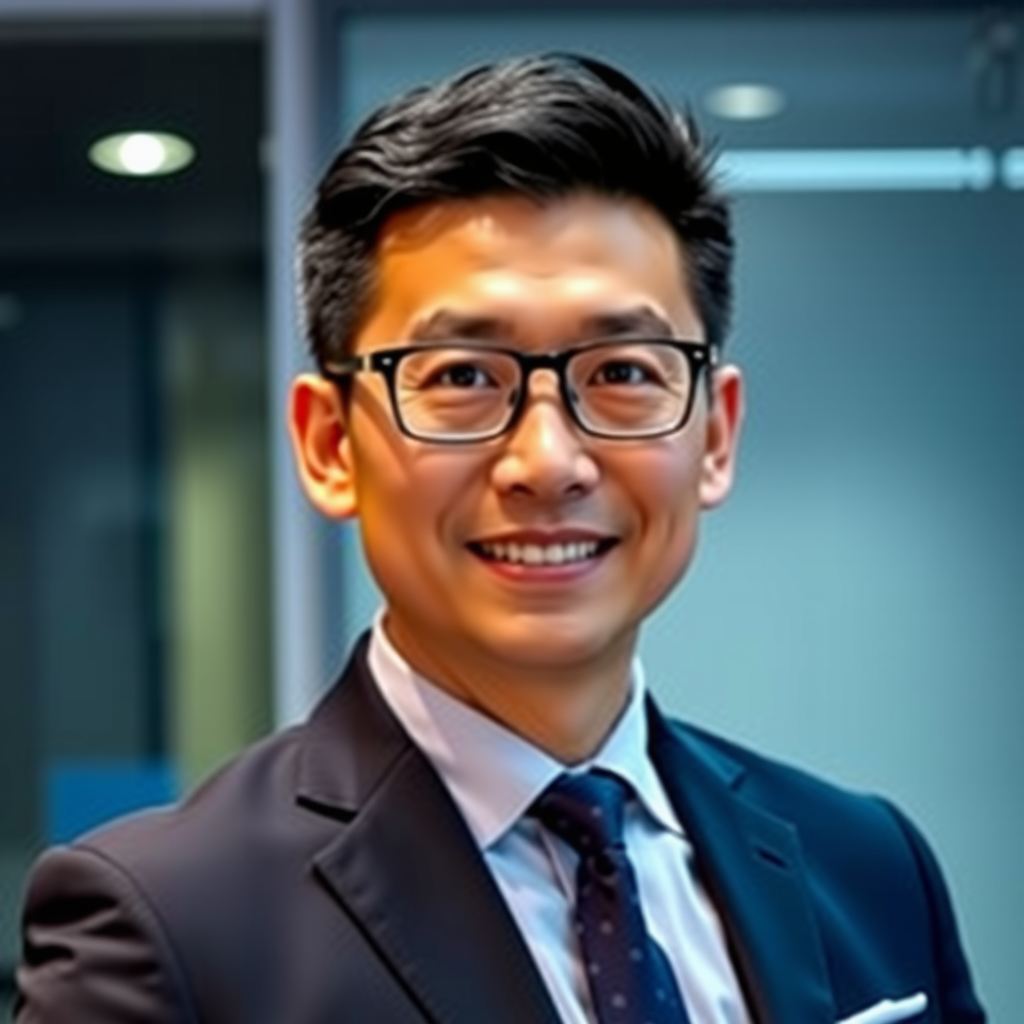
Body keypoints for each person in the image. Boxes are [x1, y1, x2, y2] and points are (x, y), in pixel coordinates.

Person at [14, 53, 985, 1024]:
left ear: (715, 434)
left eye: (623, 371)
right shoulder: (167, 926)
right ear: (328, 444)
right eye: (462, 377)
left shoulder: (866, 867)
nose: (548, 460)